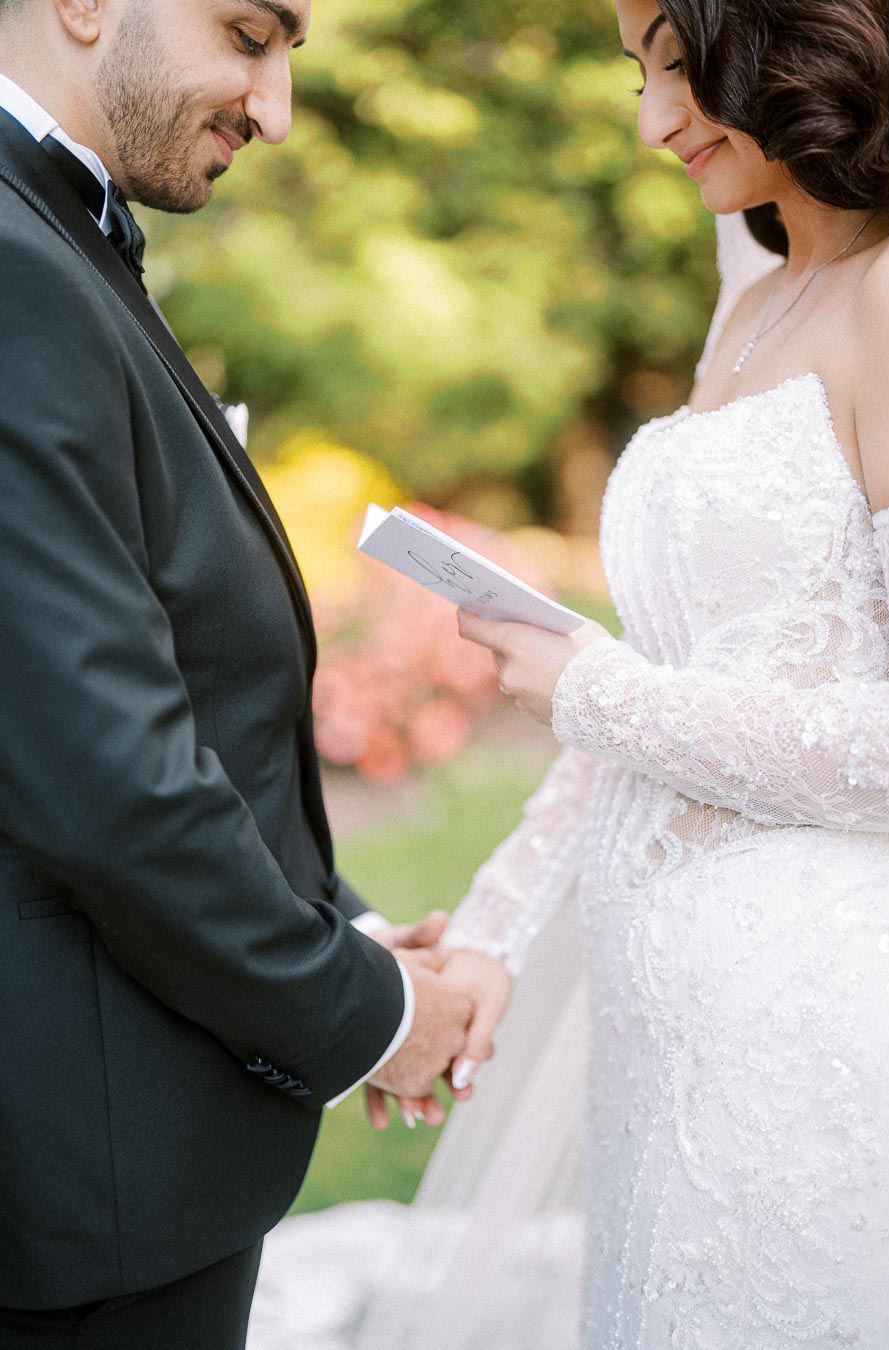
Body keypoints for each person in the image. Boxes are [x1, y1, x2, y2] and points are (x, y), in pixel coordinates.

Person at [360, 0, 889, 1344]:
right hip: (666, 1049)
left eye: (680, 60)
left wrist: (593, 686)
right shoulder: (755, 296)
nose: (655, 119)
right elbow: (653, 687)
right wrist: (489, 932)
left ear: (801, 39)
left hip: (818, 1039)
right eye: (637, 70)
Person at [0, 2, 482, 1347]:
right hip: (80, 1206)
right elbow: (110, 779)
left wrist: (343, 920)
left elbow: (156, 686)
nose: (273, 110)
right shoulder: (13, 266)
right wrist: (369, 1010)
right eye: (249, 35)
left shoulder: (57, 239)